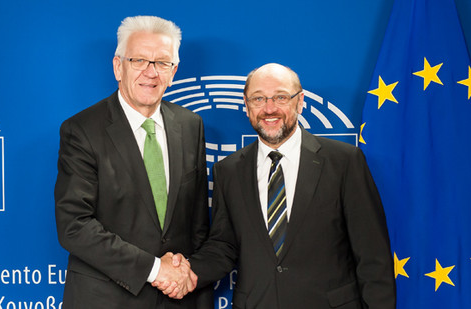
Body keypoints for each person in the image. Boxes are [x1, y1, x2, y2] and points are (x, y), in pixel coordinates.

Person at [161, 63, 396, 308]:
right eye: (258, 98)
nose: (269, 108)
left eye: (281, 97)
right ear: (246, 105)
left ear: (300, 101)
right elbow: (224, 246)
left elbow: (373, 257)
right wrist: (186, 271)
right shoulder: (228, 171)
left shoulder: (344, 162)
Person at [54, 15, 211, 309]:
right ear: (118, 66)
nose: (151, 73)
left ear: (173, 71)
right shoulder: (82, 130)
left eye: (162, 63)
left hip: (179, 299)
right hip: (107, 299)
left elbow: (198, 224)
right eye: (139, 60)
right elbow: (74, 225)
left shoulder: (191, 126)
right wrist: (155, 269)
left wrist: (183, 275)